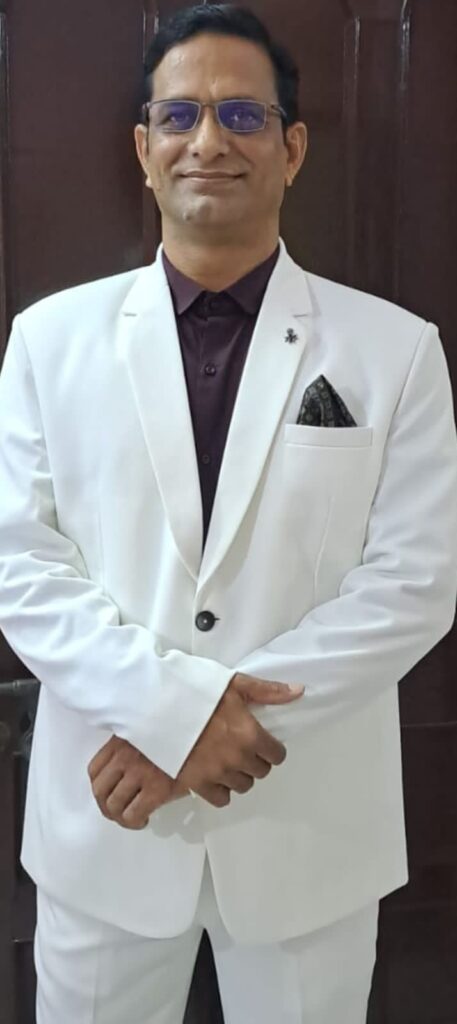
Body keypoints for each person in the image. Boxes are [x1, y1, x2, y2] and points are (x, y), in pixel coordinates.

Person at [0, 3, 456, 1022]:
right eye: (180, 115)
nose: (208, 139)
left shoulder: (394, 351)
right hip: (106, 825)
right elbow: (18, 563)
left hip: (308, 828)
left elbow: (415, 582)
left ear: (291, 149)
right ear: (144, 150)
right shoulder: (48, 341)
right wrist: (171, 716)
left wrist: (211, 727)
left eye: (243, 115)